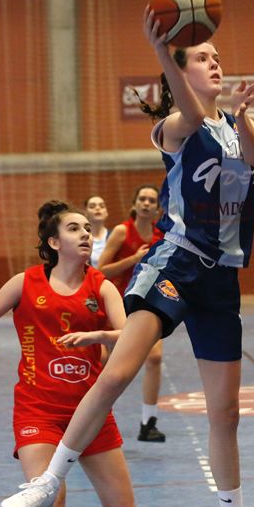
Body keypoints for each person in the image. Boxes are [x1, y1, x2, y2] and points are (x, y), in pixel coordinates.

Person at [0, 7, 254, 507]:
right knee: (120, 370)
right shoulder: (174, 126)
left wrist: (246, 115)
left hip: (221, 278)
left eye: (216, 54)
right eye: (202, 56)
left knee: (224, 413)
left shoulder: (227, 125)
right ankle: (47, 481)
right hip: (175, 261)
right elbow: (192, 113)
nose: (215, 60)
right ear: (180, 74)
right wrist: (161, 53)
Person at [0, 201, 142, 507]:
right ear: (53, 241)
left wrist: (99, 335)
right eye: (74, 229)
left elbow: (131, 336)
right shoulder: (25, 282)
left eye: (86, 229)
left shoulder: (102, 286)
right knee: (49, 504)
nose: (85, 235)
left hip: (91, 412)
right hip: (38, 410)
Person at [96, 185, 166, 442]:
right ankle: (93, 417)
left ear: (158, 207)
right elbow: (100, 271)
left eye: (151, 200)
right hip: (119, 303)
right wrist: (132, 260)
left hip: (149, 303)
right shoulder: (123, 231)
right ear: (135, 204)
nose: (147, 203)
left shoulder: (163, 234)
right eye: (142, 199)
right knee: (105, 363)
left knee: (155, 358)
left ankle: (149, 422)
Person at [84, 195, 112, 268]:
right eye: (92, 206)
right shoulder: (82, 237)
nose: (97, 208)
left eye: (102, 206)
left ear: (106, 212)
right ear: (85, 212)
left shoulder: (114, 235)